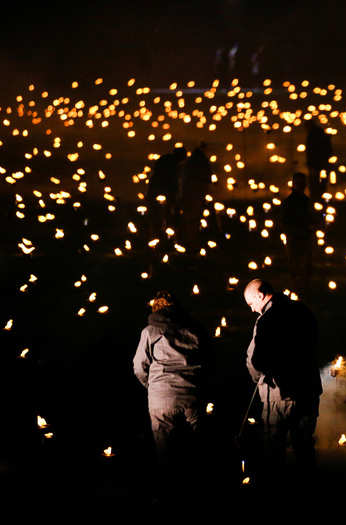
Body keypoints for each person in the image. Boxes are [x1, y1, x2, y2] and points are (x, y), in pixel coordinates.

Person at [244, 279, 322, 483]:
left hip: (279, 394)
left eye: (251, 303)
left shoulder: (266, 319)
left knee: (273, 450)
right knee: (304, 449)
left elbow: (256, 360)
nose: (252, 310)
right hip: (308, 392)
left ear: (260, 295)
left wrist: (259, 380)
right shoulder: (303, 310)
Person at [133, 291, 208, 487]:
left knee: (165, 453)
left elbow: (139, 366)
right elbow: (209, 362)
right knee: (196, 451)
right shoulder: (196, 330)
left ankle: (168, 496)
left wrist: (153, 387)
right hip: (192, 396)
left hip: (161, 399)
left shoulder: (149, 332)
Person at [280, 172, 315, 295]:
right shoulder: (290, 202)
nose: (301, 185)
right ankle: (298, 290)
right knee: (296, 266)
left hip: (302, 237)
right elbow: (284, 220)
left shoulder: (306, 201)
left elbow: (311, 218)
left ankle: (302, 290)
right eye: (299, 183)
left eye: (302, 183)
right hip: (295, 237)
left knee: (302, 266)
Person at [178, 142, 212, 245]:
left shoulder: (189, 162)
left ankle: (188, 239)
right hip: (196, 193)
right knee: (194, 217)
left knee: (190, 217)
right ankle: (191, 240)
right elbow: (207, 178)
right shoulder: (202, 162)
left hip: (190, 193)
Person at [147, 147, 186, 236]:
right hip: (162, 192)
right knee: (162, 215)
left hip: (156, 191)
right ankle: (161, 234)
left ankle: (156, 234)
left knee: (156, 216)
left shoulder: (165, 161)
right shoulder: (173, 165)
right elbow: (172, 182)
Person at [304, 120, 332, 200]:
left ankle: (316, 198)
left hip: (316, 164)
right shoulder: (321, 134)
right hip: (321, 163)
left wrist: (311, 162)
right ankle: (320, 197)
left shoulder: (313, 135)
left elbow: (311, 151)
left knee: (315, 182)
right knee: (321, 182)